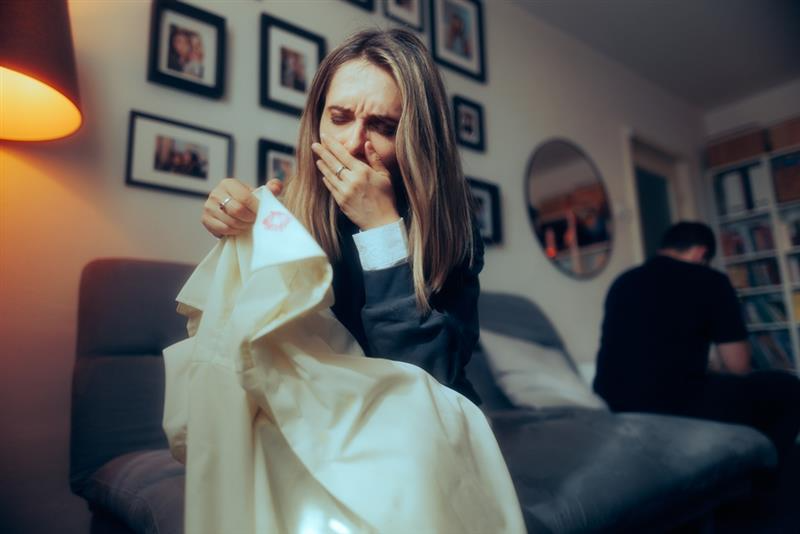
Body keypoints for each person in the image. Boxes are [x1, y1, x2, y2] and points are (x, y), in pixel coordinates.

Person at [200, 28, 483, 404]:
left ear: (418, 136)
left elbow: (430, 379)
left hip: (420, 422)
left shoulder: (452, 223)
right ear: (318, 118)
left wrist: (382, 232)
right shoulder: (289, 212)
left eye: (384, 127)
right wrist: (234, 226)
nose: (352, 144)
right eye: (339, 117)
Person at [593, 221, 800, 464]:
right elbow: (739, 367)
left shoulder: (623, 282)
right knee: (788, 387)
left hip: (612, 401)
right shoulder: (711, 280)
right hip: (671, 403)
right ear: (701, 253)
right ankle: (764, 472)